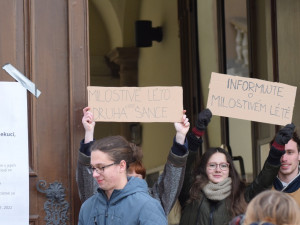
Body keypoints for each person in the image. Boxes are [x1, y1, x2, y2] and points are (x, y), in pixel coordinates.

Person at [178, 108, 296, 225]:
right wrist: (196, 134)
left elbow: (263, 183)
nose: (218, 169)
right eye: (212, 165)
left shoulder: (240, 195)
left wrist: (276, 153)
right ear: (203, 168)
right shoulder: (191, 191)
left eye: (223, 165)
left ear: (229, 169)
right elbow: (184, 166)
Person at [76, 106, 190, 215]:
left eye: (138, 178)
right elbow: (88, 178)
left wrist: (180, 136)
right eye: (129, 177)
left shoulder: (152, 202)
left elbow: (170, 182)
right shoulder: (99, 200)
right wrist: (89, 132)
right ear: (120, 168)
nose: (133, 182)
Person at [77, 135, 168, 225]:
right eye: (93, 168)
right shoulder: (87, 207)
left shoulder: (147, 206)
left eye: (101, 167)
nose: (94, 174)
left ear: (121, 166)